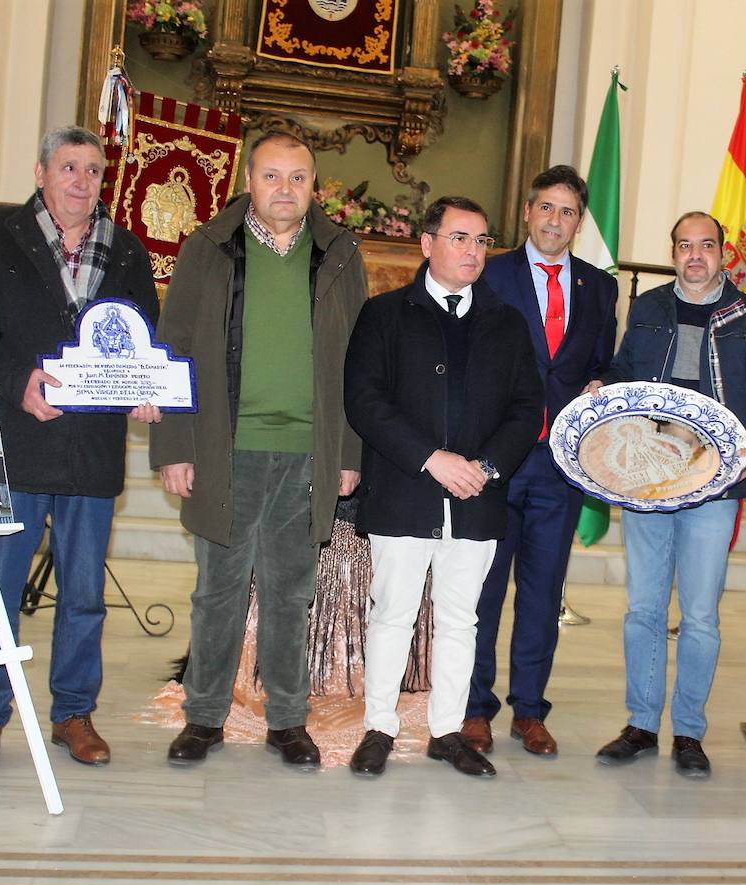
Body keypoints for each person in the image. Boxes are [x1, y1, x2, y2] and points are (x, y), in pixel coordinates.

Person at [149, 131, 369, 769]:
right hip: (227, 449)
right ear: (248, 182)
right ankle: (204, 717)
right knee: (217, 590)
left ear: (313, 187)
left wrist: (349, 453)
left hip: (307, 452)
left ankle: (287, 721)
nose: (284, 189)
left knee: (289, 592)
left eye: (298, 178)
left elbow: (357, 361)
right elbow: (174, 347)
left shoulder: (338, 253)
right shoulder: (209, 248)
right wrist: (174, 445)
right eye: (272, 177)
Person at [0, 126, 160, 770]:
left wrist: (144, 389)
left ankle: (74, 711)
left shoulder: (126, 252)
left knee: (83, 596)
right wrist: (17, 385)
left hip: (91, 449)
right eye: (68, 167)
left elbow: (141, 339)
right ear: (40, 172)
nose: (81, 180)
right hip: (14, 444)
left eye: (93, 170)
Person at [344, 196, 543, 778]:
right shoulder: (383, 315)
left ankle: (448, 731)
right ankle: (379, 727)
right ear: (427, 244)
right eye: (459, 238)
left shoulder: (506, 323)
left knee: (462, 620)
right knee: (392, 615)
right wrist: (431, 459)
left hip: (477, 498)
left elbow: (527, 407)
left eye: (482, 241)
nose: (472, 252)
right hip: (406, 491)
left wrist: (485, 467)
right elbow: (364, 400)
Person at [589, 211, 746, 778]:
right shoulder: (650, 308)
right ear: (672, 252)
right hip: (648, 475)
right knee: (643, 609)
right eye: (684, 246)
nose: (695, 256)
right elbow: (626, 370)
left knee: (700, 615)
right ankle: (642, 724)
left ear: (724, 254)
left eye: (706, 246)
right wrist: (604, 385)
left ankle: (691, 733)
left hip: (717, 482)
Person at [460, 165, 618, 758]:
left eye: (568, 211)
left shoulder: (600, 289)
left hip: (562, 466)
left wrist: (602, 382)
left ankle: (529, 710)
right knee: (483, 592)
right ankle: (476, 708)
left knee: (543, 593)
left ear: (579, 223)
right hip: (497, 462)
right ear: (527, 213)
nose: (556, 220)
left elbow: (603, 361)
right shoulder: (489, 272)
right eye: (546, 208)